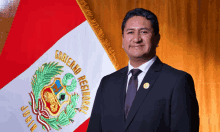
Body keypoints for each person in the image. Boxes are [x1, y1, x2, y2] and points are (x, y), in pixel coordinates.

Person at [87, 8, 199, 132]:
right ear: (123, 40)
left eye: (144, 32)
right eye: (130, 32)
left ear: (157, 39)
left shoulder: (177, 81)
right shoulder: (108, 83)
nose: (136, 39)